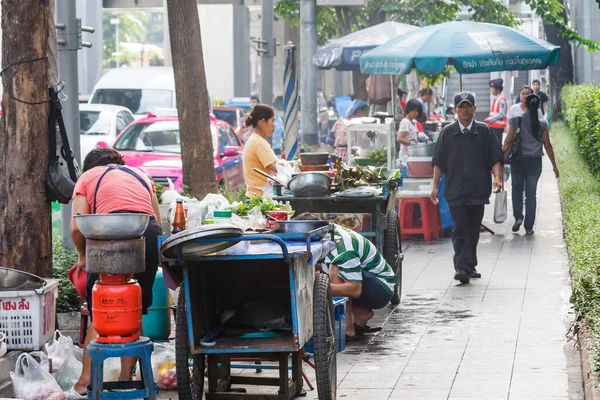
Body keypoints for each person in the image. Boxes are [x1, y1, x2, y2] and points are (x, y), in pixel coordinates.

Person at [67, 148, 162, 399]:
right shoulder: (140, 175)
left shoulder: (87, 178)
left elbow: (77, 227)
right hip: (146, 234)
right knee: (133, 304)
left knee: (101, 306)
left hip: (107, 231)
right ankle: (125, 379)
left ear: (89, 168)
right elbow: (157, 223)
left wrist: (82, 256)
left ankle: (85, 381)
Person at [430, 92, 504, 284]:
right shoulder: (447, 133)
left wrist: (497, 178)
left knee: (473, 230)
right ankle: (461, 268)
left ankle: (470, 265)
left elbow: (495, 158)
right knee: (460, 229)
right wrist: (435, 186)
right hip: (455, 190)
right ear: (455, 110)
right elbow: (438, 162)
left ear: (474, 109)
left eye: (467, 106)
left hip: (478, 190)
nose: (464, 110)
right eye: (460, 107)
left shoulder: (484, 131)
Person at [295, 213, 395, 340]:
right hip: (368, 281)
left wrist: (315, 287)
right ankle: (361, 314)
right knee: (322, 273)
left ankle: (347, 329)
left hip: (381, 288)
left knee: (334, 271)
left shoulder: (341, 247)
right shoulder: (327, 234)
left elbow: (355, 289)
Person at [503, 94, 559, 235]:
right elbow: (548, 145)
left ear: (525, 105)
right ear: (538, 106)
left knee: (516, 189)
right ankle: (529, 226)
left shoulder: (516, 120)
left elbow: (508, 140)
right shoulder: (542, 124)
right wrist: (554, 165)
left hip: (518, 161)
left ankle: (518, 217)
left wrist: (501, 157)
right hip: (535, 162)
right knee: (531, 193)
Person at [242, 104, 279, 198]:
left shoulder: (255, 140)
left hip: (255, 196)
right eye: (272, 121)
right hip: (258, 198)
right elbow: (277, 167)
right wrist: (297, 165)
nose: (274, 125)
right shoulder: (259, 142)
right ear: (263, 122)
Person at [484, 78, 508, 146]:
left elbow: (501, 114)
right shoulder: (496, 99)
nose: (491, 90)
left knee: (496, 145)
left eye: (492, 89)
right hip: (493, 126)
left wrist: (489, 119)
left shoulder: (501, 99)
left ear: (498, 90)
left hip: (498, 127)